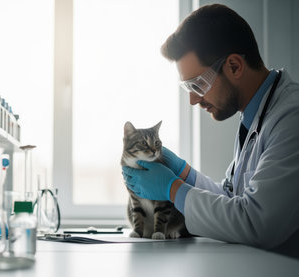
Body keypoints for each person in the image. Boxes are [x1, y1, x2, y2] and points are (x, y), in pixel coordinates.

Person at [122, 4, 299, 257]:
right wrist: (184, 173)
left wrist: (173, 189)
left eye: (198, 84)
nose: (193, 100)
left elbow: (257, 222)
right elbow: (231, 199)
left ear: (235, 66)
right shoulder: (254, 117)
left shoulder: (292, 117)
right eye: (188, 88)